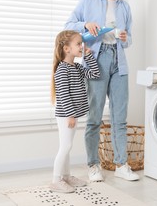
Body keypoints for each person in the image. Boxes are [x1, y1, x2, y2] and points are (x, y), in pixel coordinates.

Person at [64, 0, 139, 182]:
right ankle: (93, 165)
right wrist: (85, 25)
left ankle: (121, 164)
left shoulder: (124, 6)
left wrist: (125, 38)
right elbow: (69, 24)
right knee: (95, 117)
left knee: (120, 117)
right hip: (96, 58)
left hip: (119, 60)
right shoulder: (88, 0)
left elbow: (129, 39)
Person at [50, 30, 100, 193]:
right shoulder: (62, 70)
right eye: (78, 44)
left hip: (73, 114)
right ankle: (56, 180)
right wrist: (70, 115)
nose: (82, 46)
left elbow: (95, 73)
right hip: (66, 115)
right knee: (66, 146)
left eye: (82, 43)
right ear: (66, 48)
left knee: (67, 146)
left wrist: (89, 56)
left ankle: (66, 175)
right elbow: (63, 95)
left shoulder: (77, 67)